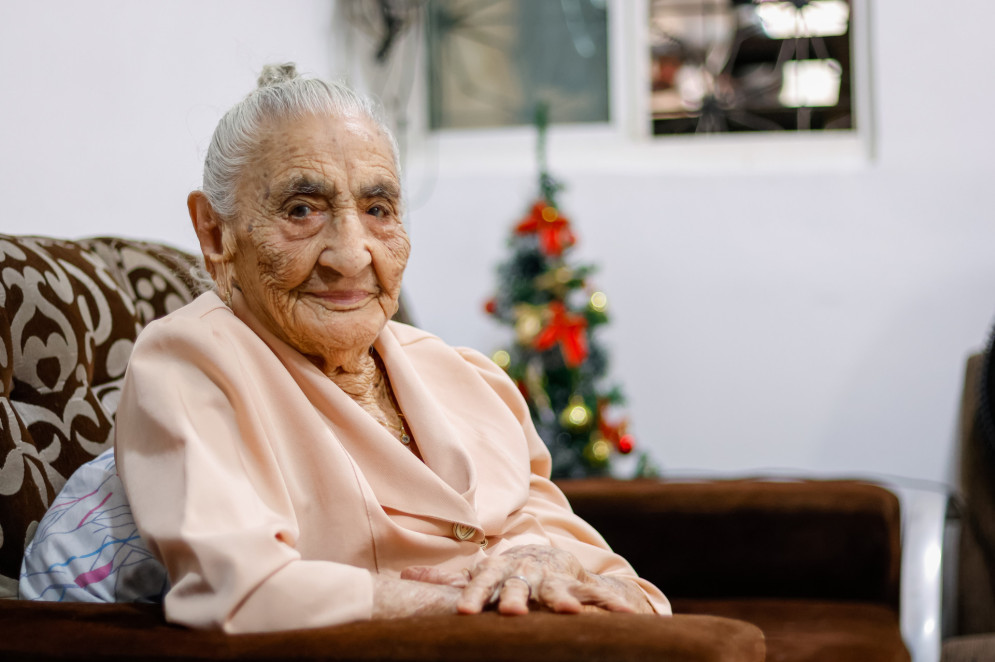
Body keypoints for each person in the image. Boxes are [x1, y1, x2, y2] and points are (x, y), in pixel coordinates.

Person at [114, 63, 670, 634]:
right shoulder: (191, 363)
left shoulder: (466, 376)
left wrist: (548, 562)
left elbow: (628, 591)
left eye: (378, 210)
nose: (351, 255)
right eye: (303, 209)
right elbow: (238, 591)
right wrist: (461, 602)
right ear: (215, 234)